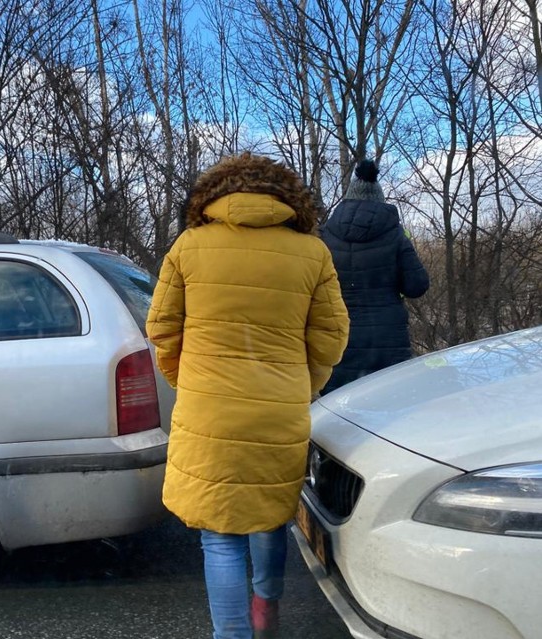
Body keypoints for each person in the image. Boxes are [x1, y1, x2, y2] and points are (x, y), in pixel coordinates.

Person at [146, 152, 349, 639]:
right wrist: (302, 384)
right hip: (278, 412)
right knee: (270, 517)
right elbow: (331, 334)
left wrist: (187, 382)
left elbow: (162, 328)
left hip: (208, 413)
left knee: (219, 536)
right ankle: (267, 611)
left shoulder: (190, 246)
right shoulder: (311, 253)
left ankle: (231, 635)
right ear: (288, 199)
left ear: (215, 195)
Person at [321, 159, 430, 395]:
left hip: (340, 337)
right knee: (391, 406)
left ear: (347, 199)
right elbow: (417, 285)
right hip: (387, 339)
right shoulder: (395, 234)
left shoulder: (325, 235)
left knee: (336, 414)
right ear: (379, 200)